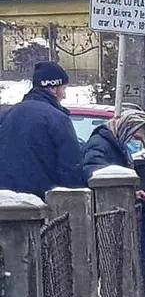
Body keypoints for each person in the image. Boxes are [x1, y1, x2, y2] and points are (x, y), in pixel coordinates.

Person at [0, 61, 84, 197]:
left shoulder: (7, 116)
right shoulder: (57, 119)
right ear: (52, 88)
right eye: (63, 89)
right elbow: (71, 168)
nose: (64, 95)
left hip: (6, 203)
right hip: (43, 203)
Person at [81, 109, 145, 179]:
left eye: (141, 140)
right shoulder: (98, 144)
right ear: (125, 131)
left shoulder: (121, 147)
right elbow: (93, 173)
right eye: (136, 138)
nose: (137, 143)